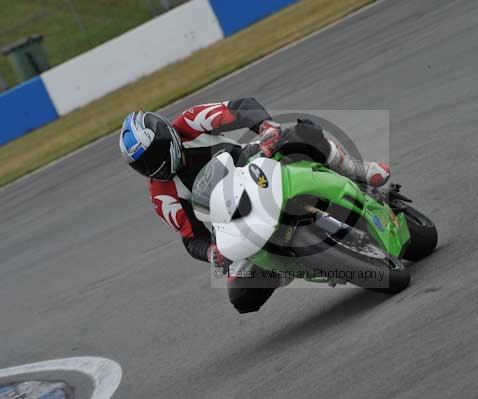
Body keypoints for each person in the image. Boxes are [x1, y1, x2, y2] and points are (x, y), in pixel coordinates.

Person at [118, 98, 390, 313]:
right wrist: (212, 252)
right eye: (143, 165)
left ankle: (357, 170)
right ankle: (305, 264)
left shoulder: (190, 121)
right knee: (242, 297)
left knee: (299, 132)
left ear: (167, 135)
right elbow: (191, 240)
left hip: (254, 167)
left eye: (154, 154)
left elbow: (238, 108)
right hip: (235, 224)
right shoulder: (161, 195)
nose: (154, 166)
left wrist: (265, 126)